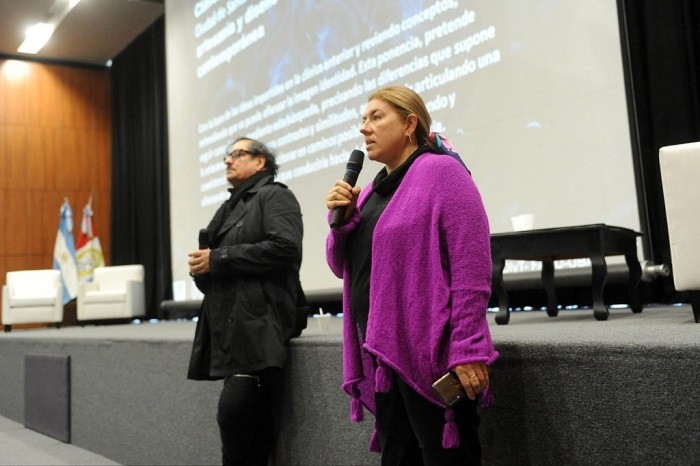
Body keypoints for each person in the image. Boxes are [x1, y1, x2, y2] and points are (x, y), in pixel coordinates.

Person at [325, 85, 498, 465]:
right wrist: (341, 225)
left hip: (433, 353)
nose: (364, 128)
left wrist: (467, 347)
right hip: (385, 354)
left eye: (376, 117)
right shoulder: (368, 193)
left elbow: (471, 268)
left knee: (446, 458)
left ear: (409, 124)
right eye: (363, 119)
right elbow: (342, 267)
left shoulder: (442, 172)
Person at [187, 137, 303, 465]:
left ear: (259, 161)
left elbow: (285, 248)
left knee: (237, 423)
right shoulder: (229, 206)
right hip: (231, 329)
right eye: (226, 156)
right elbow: (219, 270)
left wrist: (218, 258)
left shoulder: (274, 195)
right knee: (238, 434)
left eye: (236, 154)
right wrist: (203, 269)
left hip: (258, 326)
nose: (228, 160)